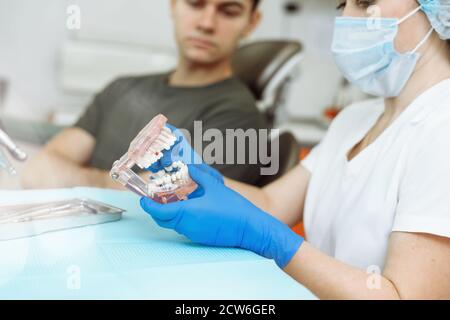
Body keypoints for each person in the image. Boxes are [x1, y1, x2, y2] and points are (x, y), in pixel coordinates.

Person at [140, 0, 450, 299]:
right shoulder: (355, 119)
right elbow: (271, 203)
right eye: (343, 4)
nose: (348, 19)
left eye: (365, 0)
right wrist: (188, 170)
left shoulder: (442, 128)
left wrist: (271, 240)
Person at [21, 0, 267, 189]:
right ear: (173, 5)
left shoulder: (241, 117)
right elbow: (39, 169)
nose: (206, 23)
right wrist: (118, 184)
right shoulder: (121, 88)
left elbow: (175, 195)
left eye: (229, 11)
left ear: (251, 23)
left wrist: (82, 178)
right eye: (195, 3)